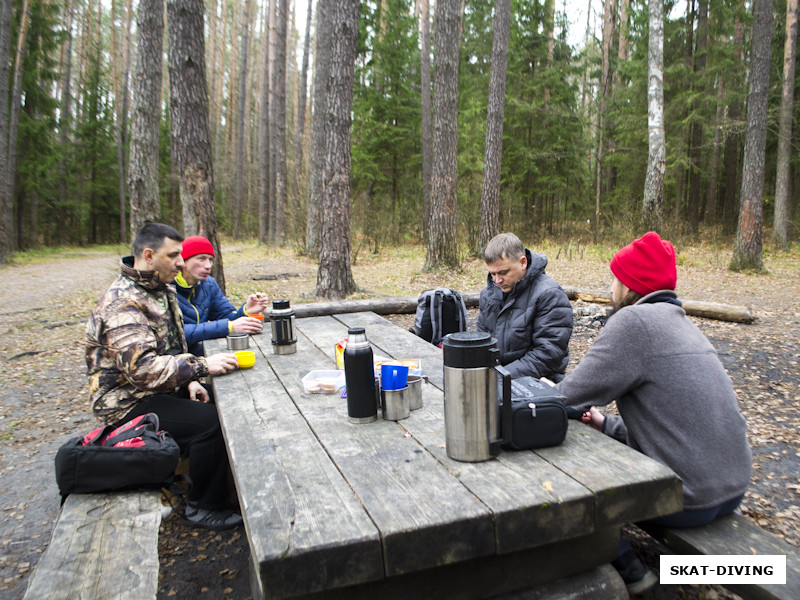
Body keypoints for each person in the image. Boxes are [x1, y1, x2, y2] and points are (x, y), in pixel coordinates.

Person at [555, 231, 752, 594]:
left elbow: (566, 399)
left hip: (688, 498)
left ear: (629, 284)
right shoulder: (681, 322)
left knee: (565, 470)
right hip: (732, 487)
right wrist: (607, 424)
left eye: (615, 278)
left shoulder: (633, 323)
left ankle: (631, 570)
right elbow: (676, 422)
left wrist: (542, 394)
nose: (611, 287)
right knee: (601, 446)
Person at [85, 223, 244, 530]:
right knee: (210, 424)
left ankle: (211, 483)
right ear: (148, 255)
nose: (181, 263)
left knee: (216, 406)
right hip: (125, 403)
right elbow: (142, 369)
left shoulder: (159, 289)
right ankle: (204, 507)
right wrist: (200, 367)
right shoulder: (124, 302)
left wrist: (190, 380)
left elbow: (170, 348)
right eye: (173, 256)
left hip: (156, 389)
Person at [476, 232, 573, 381]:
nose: (497, 280)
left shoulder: (550, 295)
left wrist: (498, 378)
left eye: (503, 272)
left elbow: (548, 355)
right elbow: (481, 341)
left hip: (538, 384)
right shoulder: (488, 295)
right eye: (492, 274)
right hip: (497, 380)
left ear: (523, 262)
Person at [175, 235, 269, 355]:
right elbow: (178, 334)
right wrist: (228, 327)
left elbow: (227, 317)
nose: (208, 266)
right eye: (201, 259)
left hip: (202, 353)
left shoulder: (209, 284)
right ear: (183, 260)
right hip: (175, 361)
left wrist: (246, 310)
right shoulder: (166, 287)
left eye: (210, 260)